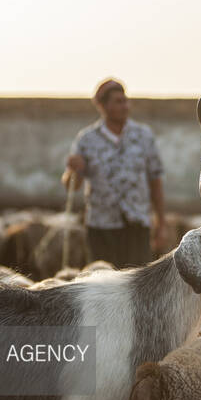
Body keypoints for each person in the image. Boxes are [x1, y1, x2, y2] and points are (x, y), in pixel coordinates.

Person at [62, 78, 166, 268]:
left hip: (137, 223)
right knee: (103, 283)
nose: (125, 106)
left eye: (125, 101)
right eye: (118, 102)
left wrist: (160, 223)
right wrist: (72, 169)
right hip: (101, 227)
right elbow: (72, 185)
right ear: (102, 106)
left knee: (138, 283)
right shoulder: (86, 139)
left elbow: (155, 179)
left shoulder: (143, 136)